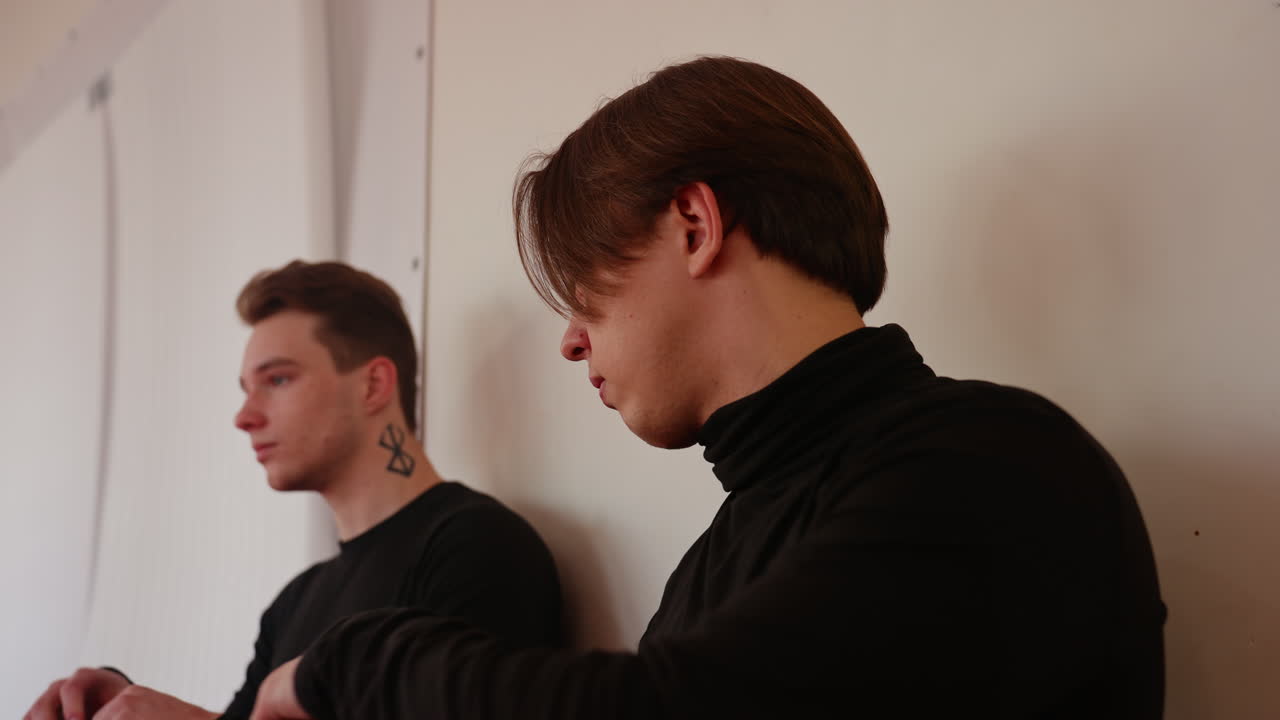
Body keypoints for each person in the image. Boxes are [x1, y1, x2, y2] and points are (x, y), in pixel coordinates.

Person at [248, 57, 1167, 719]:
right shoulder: (722, 552)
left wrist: (349, 661)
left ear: (693, 224)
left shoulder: (991, 461)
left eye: (583, 293)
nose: (572, 342)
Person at [25, 260, 562, 720]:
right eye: (245, 389)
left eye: (277, 379)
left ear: (374, 384)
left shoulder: (477, 547)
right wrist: (119, 702)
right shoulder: (293, 604)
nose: (244, 416)